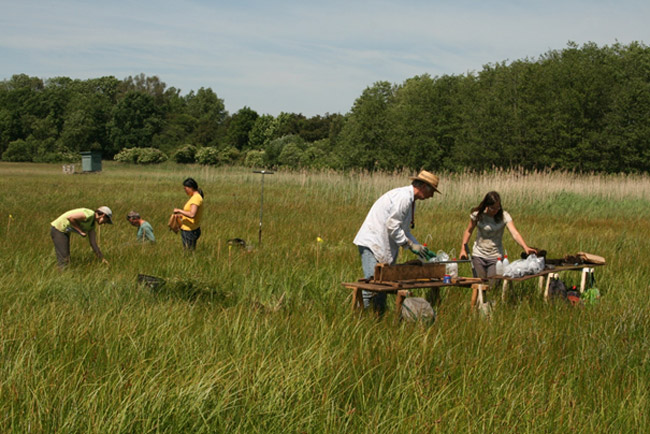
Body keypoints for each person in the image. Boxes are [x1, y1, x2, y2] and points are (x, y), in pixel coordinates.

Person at [353, 170, 441, 315]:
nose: (431, 196)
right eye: (431, 191)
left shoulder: (409, 200)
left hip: (381, 244)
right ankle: (362, 317)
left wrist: (418, 246)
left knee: (383, 285)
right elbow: (392, 226)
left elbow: (404, 230)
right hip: (372, 243)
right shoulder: (403, 198)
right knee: (372, 286)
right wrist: (409, 245)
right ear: (423, 187)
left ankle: (378, 318)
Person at [459, 190, 537, 279]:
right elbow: (468, 231)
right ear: (487, 205)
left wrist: (525, 247)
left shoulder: (504, 216)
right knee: (479, 282)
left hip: (496, 257)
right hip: (478, 255)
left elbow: (515, 233)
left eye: (498, 207)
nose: (495, 211)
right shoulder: (478, 215)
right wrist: (463, 249)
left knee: (493, 283)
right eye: (493, 208)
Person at [173, 177, 204, 250]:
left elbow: (192, 214)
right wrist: (181, 216)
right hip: (190, 228)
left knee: (188, 251)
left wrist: (179, 210)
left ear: (191, 187)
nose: (185, 191)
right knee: (189, 250)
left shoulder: (196, 198)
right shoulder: (195, 197)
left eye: (185, 188)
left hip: (190, 230)